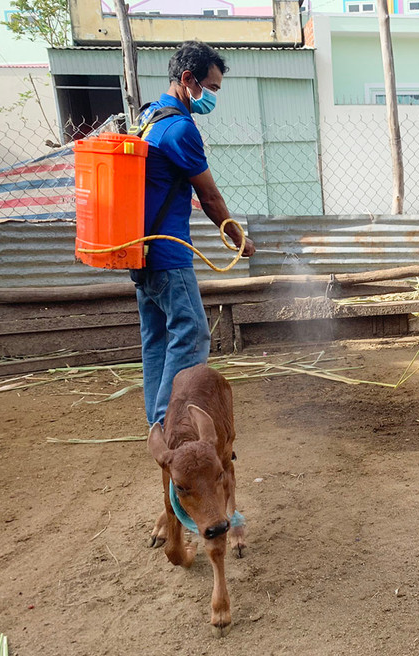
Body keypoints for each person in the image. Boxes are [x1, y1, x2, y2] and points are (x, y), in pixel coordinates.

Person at [131, 40, 255, 428]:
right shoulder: (180, 127)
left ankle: (158, 426)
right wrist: (240, 240)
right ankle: (176, 429)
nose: (212, 97)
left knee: (158, 342)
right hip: (168, 255)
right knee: (193, 333)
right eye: (211, 88)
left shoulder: (149, 117)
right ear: (187, 79)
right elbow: (211, 196)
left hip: (141, 253)